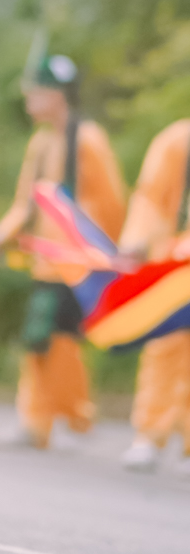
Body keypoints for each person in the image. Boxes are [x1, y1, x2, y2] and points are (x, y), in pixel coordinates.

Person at [0, 49, 126, 449]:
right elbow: (26, 203)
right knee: (39, 338)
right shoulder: (41, 143)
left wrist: (101, 253)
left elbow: (111, 203)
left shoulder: (89, 140)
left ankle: (73, 418)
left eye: (36, 92)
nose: (29, 99)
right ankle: (37, 421)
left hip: (79, 262)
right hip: (45, 261)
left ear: (57, 95)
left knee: (64, 339)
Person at [113, 118, 190, 471]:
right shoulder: (177, 140)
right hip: (172, 262)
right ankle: (149, 434)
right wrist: (137, 241)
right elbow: (150, 198)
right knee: (163, 347)